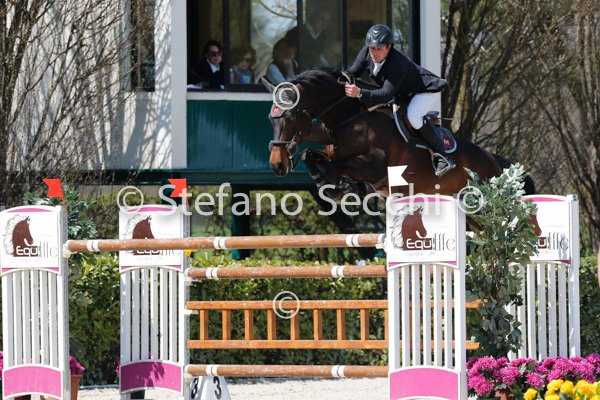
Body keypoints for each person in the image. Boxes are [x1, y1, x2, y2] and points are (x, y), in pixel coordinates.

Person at [344, 24, 455, 177]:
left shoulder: (397, 62)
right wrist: (337, 79)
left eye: (379, 48)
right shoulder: (366, 52)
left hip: (423, 90)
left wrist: (360, 93)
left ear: (389, 47)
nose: (374, 52)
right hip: (402, 92)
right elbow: (352, 72)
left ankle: (443, 156)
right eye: (372, 48)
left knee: (414, 116)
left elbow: (386, 94)